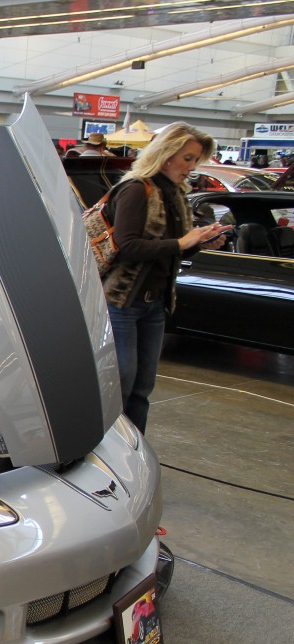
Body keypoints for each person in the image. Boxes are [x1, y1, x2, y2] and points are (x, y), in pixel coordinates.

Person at [101, 122, 230, 432]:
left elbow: (172, 251)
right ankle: (106, 447)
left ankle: (135, 449)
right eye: (187, 158)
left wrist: (200, 242)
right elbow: (128, 247)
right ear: (166, 154)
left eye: (195, 159)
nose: (192, 167)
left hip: (155, 304)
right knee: (121, 383)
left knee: (142, 387)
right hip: (122, 302)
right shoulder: (136, 189)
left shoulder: (175, 194)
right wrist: (182, 243)